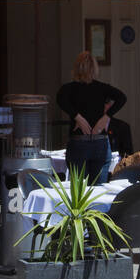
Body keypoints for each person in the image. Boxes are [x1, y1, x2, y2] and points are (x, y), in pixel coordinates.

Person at [56, 51, 126, 184]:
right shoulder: (102, 88)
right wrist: (106, 117)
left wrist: (77, 117)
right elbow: (122, 97)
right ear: (95, 68)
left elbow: (60, 98)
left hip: (79, 142)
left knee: (80, 192)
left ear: (76, 69)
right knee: (99, 190)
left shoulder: (69, 89)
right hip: (100, 141)